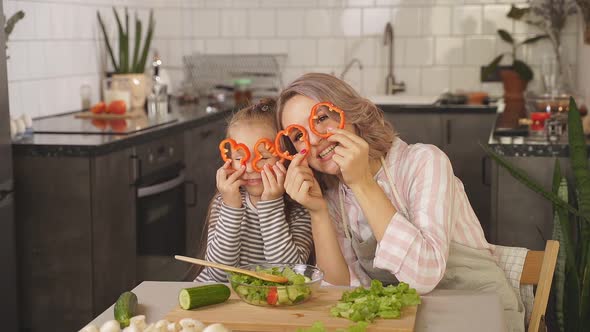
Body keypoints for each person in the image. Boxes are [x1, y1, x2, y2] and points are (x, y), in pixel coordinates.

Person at [277, 73, 525, 331]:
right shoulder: (334, 196)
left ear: (349, 113)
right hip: (409, 319)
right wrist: (317, 213)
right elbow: (339, 289)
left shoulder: (424, 162)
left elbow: (424, 275)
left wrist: (362, 183)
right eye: (298, 135)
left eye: (321, 119)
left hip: (481, 313)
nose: (314, 139)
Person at [196, 98, 313, 282]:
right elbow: (218, 274)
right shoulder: (224, 202)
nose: (250, 168)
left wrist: (272, 204)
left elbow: (289, 275)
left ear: (287, 157)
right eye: (239, 157)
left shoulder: (301, 209)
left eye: (264, 156)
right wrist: (231, 207)